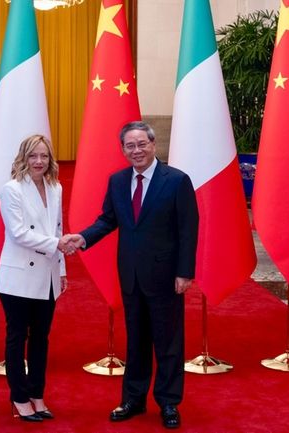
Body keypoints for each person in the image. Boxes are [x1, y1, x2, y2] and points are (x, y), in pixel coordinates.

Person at [65, 121, 199, 429]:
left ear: (153, 145)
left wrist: (184, 272)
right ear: (123, 150)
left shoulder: (177, 180)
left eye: (141, 144)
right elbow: (108, 220)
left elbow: (188, 230)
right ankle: (133, 399)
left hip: (166, 277)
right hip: (131, 275)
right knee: (136, 341)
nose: (136, 150)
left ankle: (168, 402)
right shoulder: (118, 181)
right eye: (130, 146)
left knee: (168, 342)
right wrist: (82, 238)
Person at [0, 134, 75, 422]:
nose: (39, 162)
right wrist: (58, 244)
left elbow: (57, 228)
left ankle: (37, 394)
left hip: (49, 274)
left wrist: (62, 269)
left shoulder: (56, 187)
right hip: (18, 278)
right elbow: (18, 233)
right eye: (33, 156)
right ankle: (19, 397)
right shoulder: (11, 189)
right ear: (23, 158)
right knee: (18, 337)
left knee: (41, 338)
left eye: (44, 156)